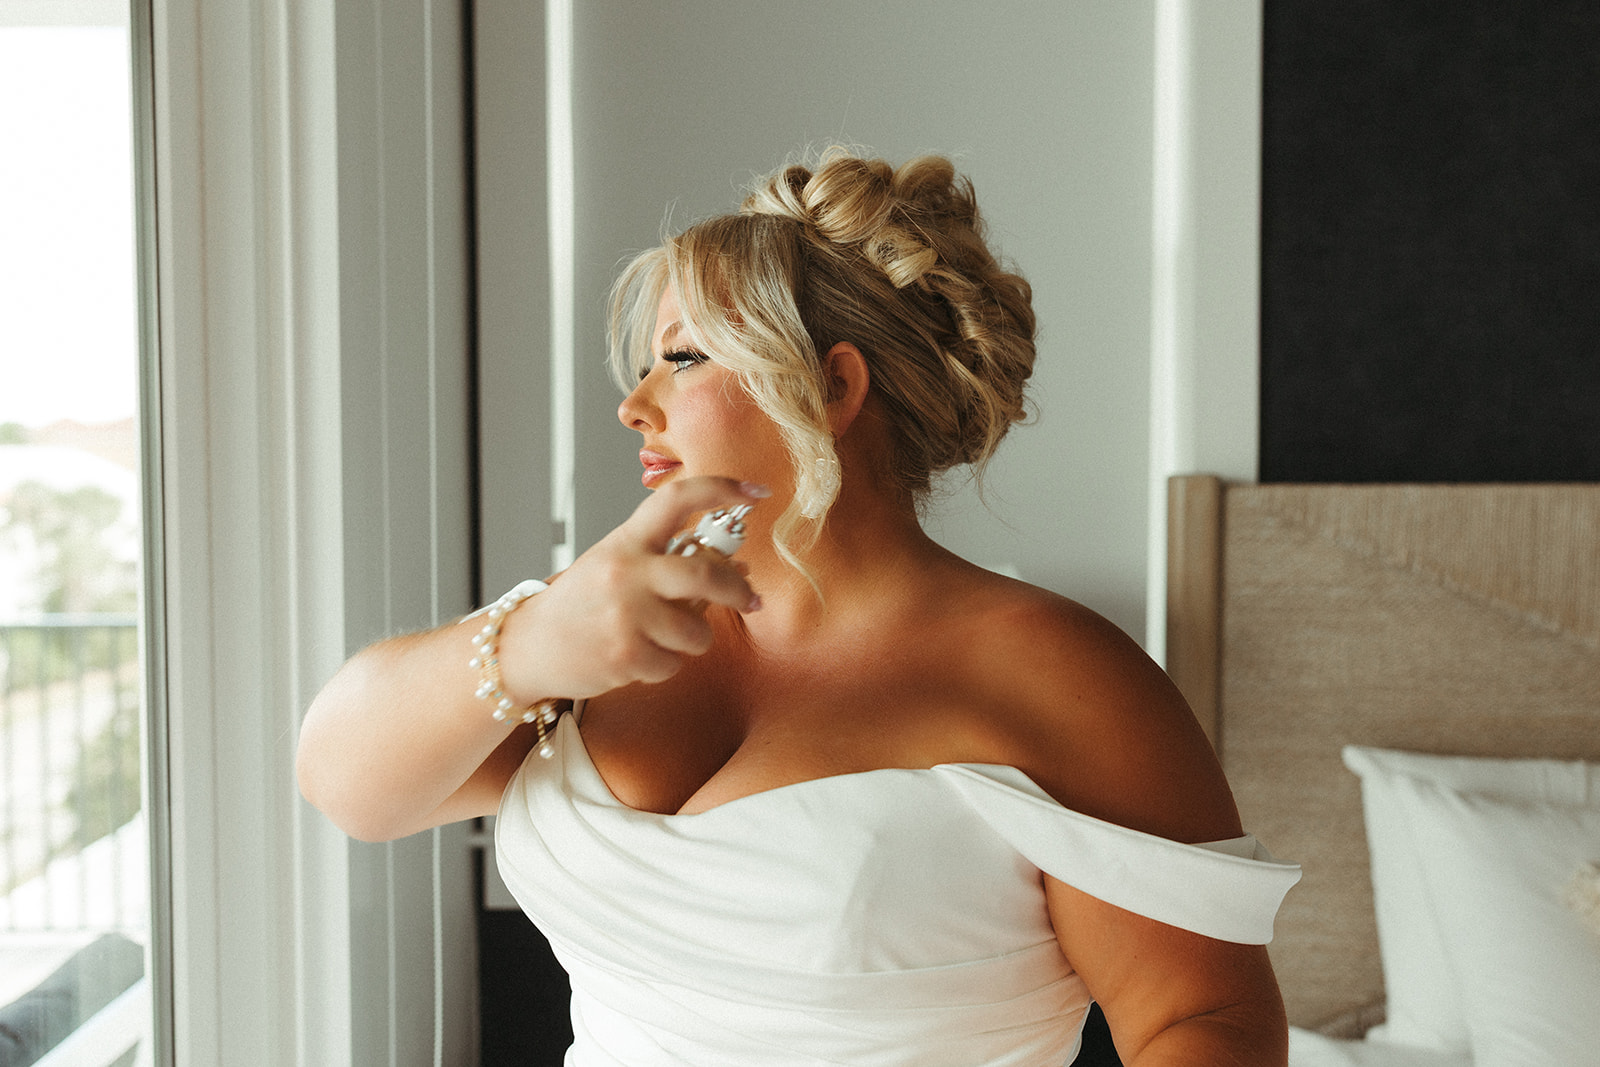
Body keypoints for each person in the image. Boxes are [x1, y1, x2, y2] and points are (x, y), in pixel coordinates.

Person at [297, 149, 1300, 1066]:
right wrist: (521, 647)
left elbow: (1199, 1018)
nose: (635, 404)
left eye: (684, 358)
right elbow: (348, 788)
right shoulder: (603, 620)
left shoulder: (1052, 671)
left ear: (830, 383)